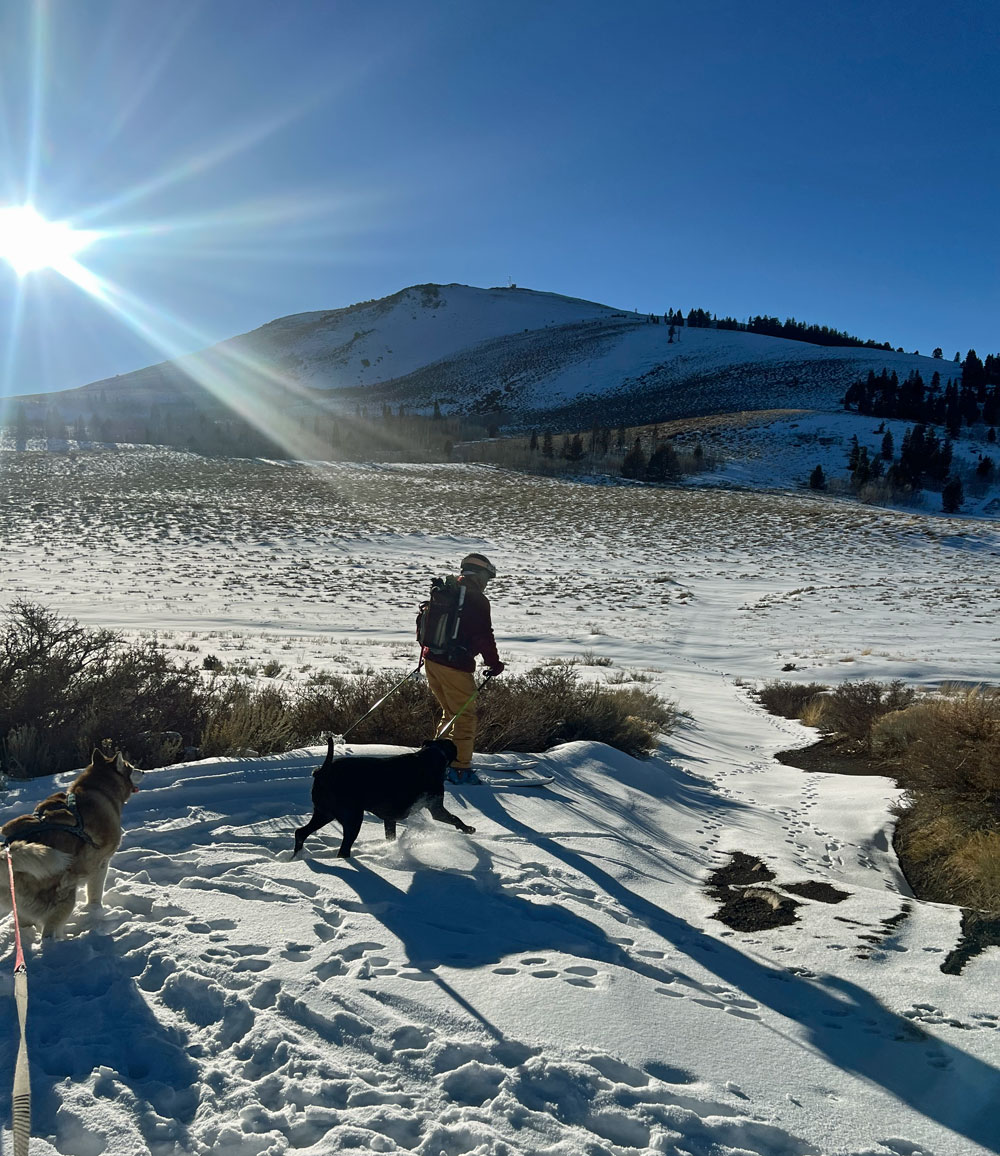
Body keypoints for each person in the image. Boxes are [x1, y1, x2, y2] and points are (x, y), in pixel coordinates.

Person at [420, 552, 504, 783]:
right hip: (455, 665)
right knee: (465, 716)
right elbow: (483, 636)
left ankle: (436, 761)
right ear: (479, 575)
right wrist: (494, 663)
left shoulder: (447, 589)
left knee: (450, 713)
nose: (487, 583)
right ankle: (459, 769)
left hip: (432, 660)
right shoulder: (475, 598)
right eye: (487, 577)